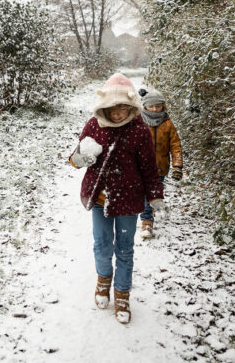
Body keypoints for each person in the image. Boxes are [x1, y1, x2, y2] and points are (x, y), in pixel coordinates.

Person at [69, 73, 165, 324]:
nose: (118, 113)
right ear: (104, 106)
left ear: (131, 106)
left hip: (128, 200)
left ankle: (122, 292)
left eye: (123, 107)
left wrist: (155, 197)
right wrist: (80, 157)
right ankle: (103, 280)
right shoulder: (93, 125)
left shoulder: (139, 130)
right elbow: (76, 157)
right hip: (100, 198)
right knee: (102, 247)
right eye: (113, 108)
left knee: (124, 249)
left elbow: (149, 168)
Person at [137, 87, 183, 239]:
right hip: (141, 167)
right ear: (145, 106)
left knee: (155, 193)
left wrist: (177, 166)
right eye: (152, 106)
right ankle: (147, 223)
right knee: (145, 194)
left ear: (163, 106)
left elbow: (176, 146)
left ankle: (152, 208)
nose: (155, 109)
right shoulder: (139, 123)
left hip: (160, 168)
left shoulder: (168, 124)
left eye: (158, 106)